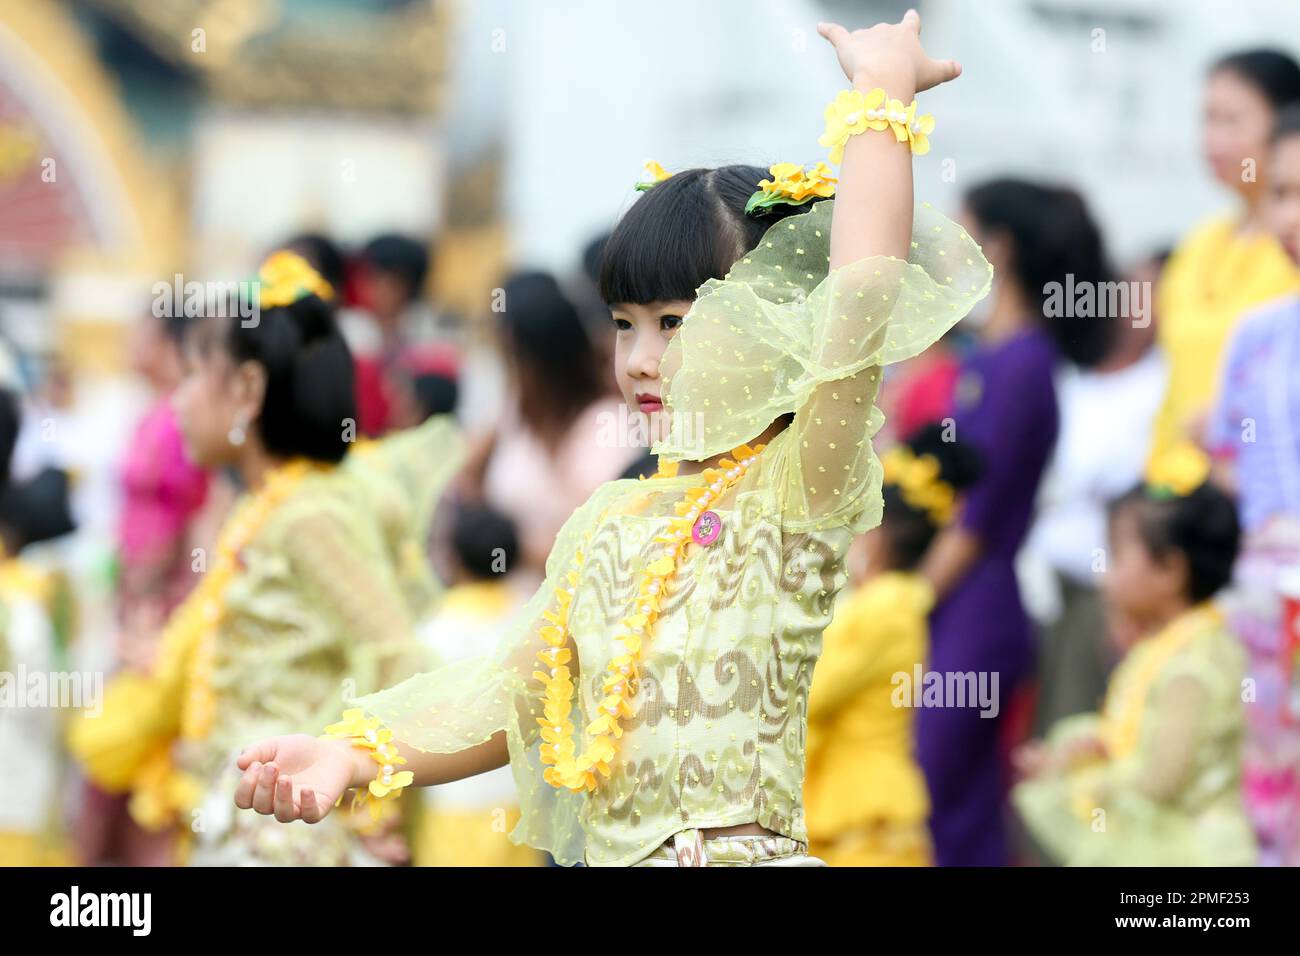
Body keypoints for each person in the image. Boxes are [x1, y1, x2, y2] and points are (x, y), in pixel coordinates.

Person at [231, 11, 986, 868]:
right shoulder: (606, 523)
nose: (640, 358)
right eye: (624, 325)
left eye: (674, 321)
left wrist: (880, 98)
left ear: (777, 320)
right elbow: (512, 687)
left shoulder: (798, 479)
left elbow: (860, 296)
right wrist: (355, 753)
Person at [68, 251, 456, 866]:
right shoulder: (262, 508)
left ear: (248, 389)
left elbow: (401, 658)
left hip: (288, 841)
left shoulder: (309, 514)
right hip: (244, 822)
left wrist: (370, 794)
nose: (178, 401)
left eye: (194, 373)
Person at [916, 178, 1113, 866]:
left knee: (935, 791)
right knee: (956, 802)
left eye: (959, 228)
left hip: (978, 600)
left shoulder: (1024, 362)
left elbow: (978, 515)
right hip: (957, 596)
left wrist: (907, 598)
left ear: (997, 245)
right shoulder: (989, 355)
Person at [1013, 446, 1255, 866]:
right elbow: (1133, 732)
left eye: (1116, 556)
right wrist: (1078, 749)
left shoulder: (1193, 666)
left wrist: (1075, 782)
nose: (1103, 573)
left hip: (1185, 852)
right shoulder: (1164, 645)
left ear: (1170, 572)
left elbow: (1158, 780)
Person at [804, 425, 979, 866]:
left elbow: (811, 693)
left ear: (876, 538)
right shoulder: (893, 602)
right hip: (851, 813)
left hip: (864, 820)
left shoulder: (886, 606)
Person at [1205, 104, 1300, 865]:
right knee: (1266, 804)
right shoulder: (1259, 331)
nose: (1291, 216)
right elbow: (1227, 465)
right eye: (1281, 192)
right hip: (1266, 607)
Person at [1026, 253, 1169, 736]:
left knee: (1073, 714)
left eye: (1150, 294)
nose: (1134, 304)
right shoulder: (1073, 377)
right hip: (1040, 572)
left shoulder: (1160, 385)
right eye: (1128, 288)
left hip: (1100, 582)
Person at [1150, 49, 1300, 461]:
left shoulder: (1291, 249)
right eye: (1208, 120)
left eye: (1232, 121)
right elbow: (1173, 388)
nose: (1213, 140)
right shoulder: (1199, 244)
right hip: (1178, 497)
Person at [464, 270, 641, 586]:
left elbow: (603, 547)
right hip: (508, 601)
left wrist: (513, 549)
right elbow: (466, 478)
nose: (508, 371)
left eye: (513, 359)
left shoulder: (607, 425)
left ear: (544, 362)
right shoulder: (516, 412)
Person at [412, 501, 542, 867]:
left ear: (452, 558)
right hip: (516, 795)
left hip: (454, 794)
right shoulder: (531, 612)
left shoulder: (436, 628)